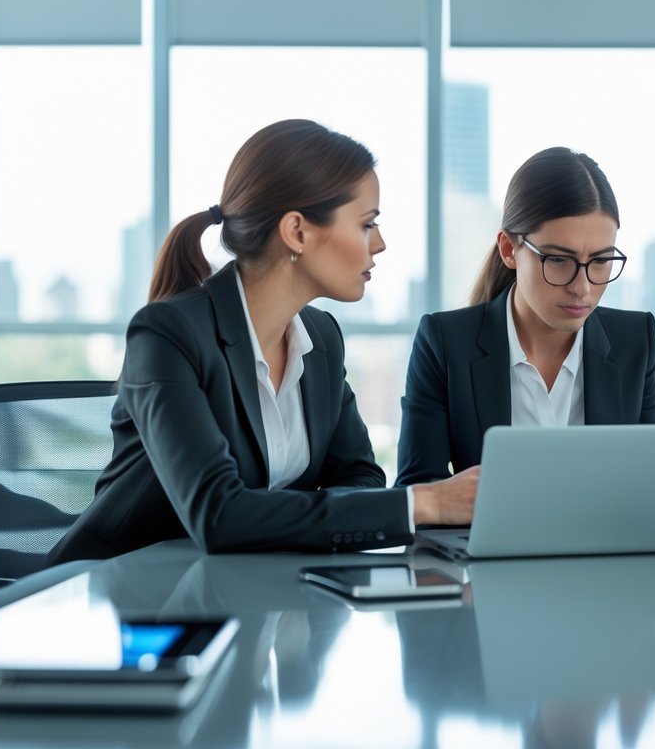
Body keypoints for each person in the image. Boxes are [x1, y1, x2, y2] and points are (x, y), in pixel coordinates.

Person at [49, 119, 477, 564]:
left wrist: (277, 520)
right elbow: (218, 514)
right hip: (118, 586)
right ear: (297, 232)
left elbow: (361, 476)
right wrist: (426, 502)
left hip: (242, 585)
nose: (381, 244)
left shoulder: (322, 339)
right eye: (367, 224)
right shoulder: (168, 336)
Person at [395, 147, 655, 528]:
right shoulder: (445, 343)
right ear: (509, 249)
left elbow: (651, 476)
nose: (583, 288)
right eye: (559, 260)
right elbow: (417, 493)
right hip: (489, 561)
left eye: (601, 261)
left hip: (608, 560)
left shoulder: (635, 343)